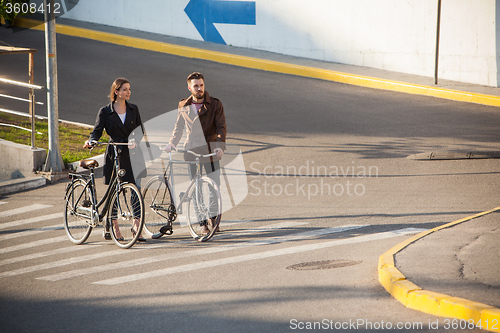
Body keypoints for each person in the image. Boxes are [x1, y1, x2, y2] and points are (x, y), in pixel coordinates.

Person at [84, 78, 147, 241]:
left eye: (129, 89)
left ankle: (137, 227)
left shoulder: (134, 109)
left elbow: (140, 130)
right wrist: (91, 141)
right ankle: (112, 226)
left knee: (136, 191)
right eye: (125, 89)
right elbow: (96, 131)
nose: (128, 92)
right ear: (116, 92)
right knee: (114, 192)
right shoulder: (105, 111)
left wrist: (135, 140)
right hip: (115, 153)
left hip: (133, 154)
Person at [164, 72, 227, 233]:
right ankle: (202, 222)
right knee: (196, 187)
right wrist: (172, 142)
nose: (199, 89)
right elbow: (178, 127)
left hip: (210, 151)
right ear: (189, 87)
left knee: (214, 187)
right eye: (196, 86)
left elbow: (221, 127)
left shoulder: (215, 104)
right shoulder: (183, 105)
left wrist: (219, 146)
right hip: (192, 151)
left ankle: (214, 219)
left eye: (201, 85)